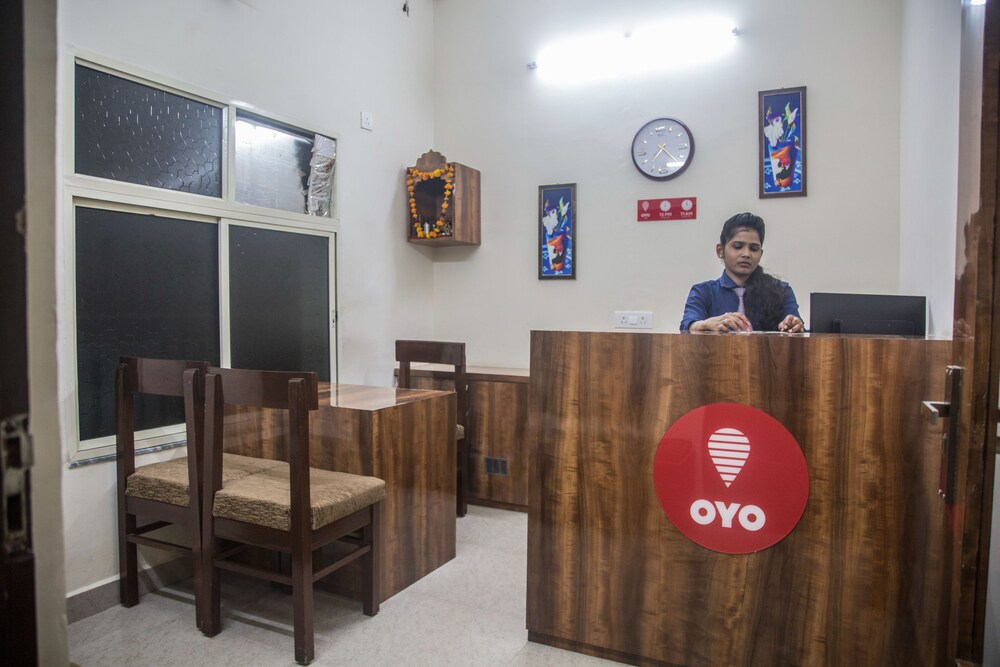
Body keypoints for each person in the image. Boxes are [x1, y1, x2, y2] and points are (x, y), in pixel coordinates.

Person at [680, 212, 805, 333]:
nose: (746, 254)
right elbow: (688, 325)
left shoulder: (781, 291)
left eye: (754, 249)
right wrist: (706, 324)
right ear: (720, 250)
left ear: (761, 254)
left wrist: (792, 325)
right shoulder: (703, 292)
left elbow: (796, 326)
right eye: (738, 246)